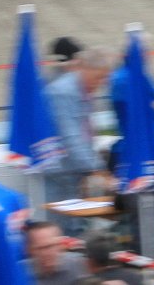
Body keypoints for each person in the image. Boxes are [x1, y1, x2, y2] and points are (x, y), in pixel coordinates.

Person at [42, 48, 114, 234]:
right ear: (86, 69)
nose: (102, 83)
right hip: (62, 173)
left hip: (74, 171)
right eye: (99, 77)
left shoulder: (80, 89)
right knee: (65, 230)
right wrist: (98, 170)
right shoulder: (63, 92)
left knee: (77, 227)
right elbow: (71, 138)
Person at [25, 220, 89, 285]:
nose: (47, 253)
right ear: (30, 250)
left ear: (61, 245)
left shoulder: (79, 265)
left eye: (51, 246)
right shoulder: (22, 271)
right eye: (41, 248)